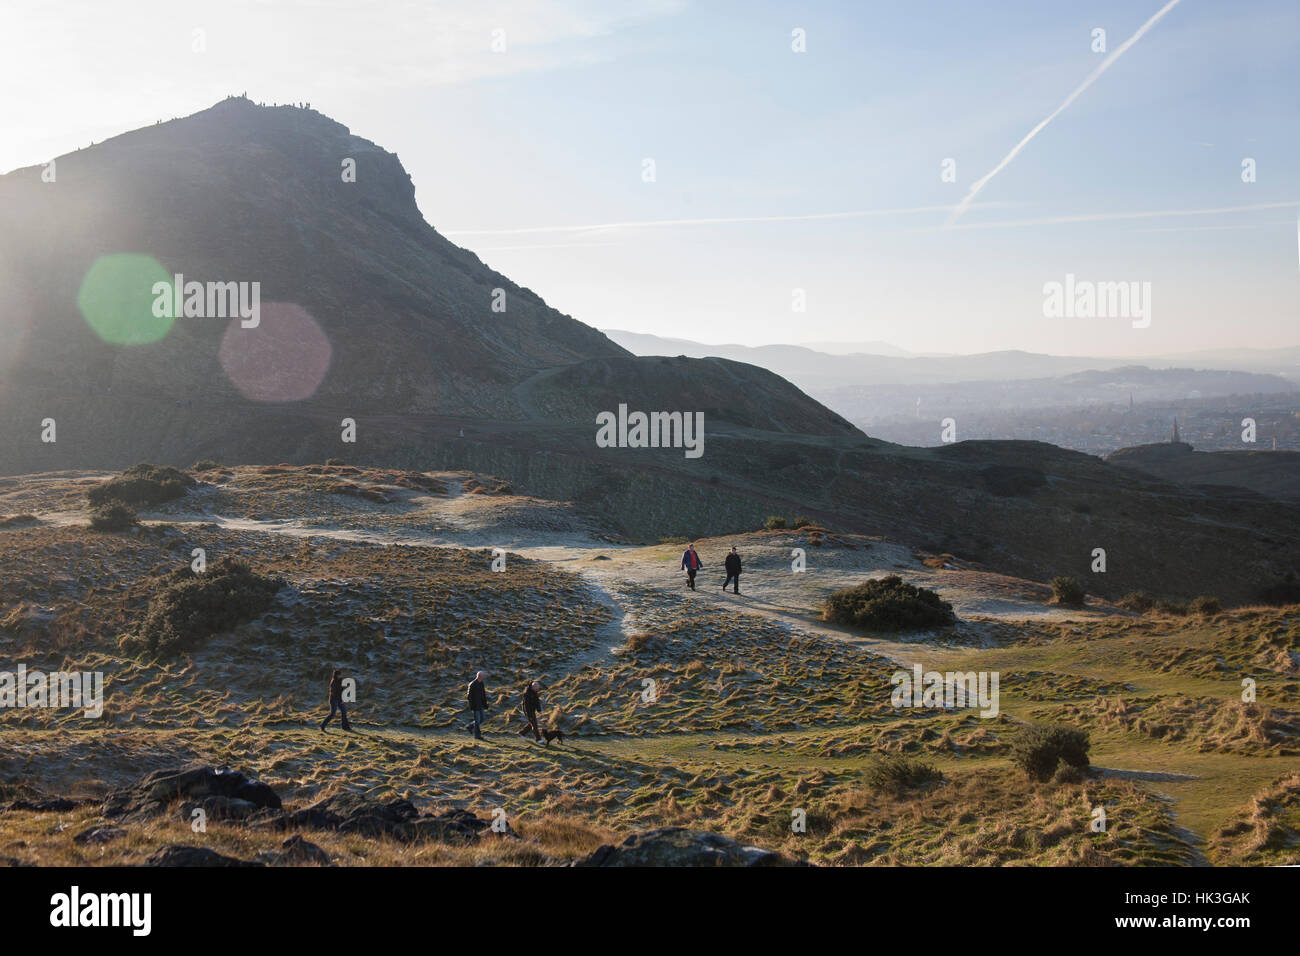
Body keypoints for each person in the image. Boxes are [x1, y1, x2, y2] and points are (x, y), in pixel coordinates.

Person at [467, 670, 489, 739]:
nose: (485, 677)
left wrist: (485, 704)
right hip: (475, 706)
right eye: (483, 676)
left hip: (481, 705)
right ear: (480, 676)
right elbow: (469, 696)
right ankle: (477, 735)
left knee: (482, 719)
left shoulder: (481, 683)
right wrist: (472, 705)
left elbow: (483, 694)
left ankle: (470, 726)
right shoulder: (472, 684)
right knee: (477, 721)